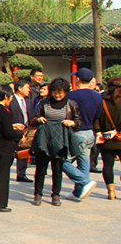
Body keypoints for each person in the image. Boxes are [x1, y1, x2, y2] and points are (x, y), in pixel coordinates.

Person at [30, 77, 82, 207]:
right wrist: (39, 119)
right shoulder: (44, 103)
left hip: (61, 140)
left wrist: (73, 122)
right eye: (55, 92)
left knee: (57, 170)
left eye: (60, 92)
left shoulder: (71, 104)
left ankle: (56, 194)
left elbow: (79, 122)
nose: (57, 95)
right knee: (41, 169)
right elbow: (34, 120)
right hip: (45, 139)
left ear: (66, 92)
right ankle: (38, 193)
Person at [0, 85, 26, 212]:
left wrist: (12, 126)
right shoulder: (4, 112)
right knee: (2, 177)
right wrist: (20, 134)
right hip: (3, 149)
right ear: (6, 96)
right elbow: (7, 133)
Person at [63, 68, 102, 200]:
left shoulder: (71, 95)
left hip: (75, 132)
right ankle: (78, 192)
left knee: (62, 161)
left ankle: (85, 182)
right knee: (83, 162)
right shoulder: (97, 96)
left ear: (77, 79)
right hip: (89, 132)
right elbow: (98, 115)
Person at [95, 77, 121, 199]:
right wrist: (117, 131)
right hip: (119, 138)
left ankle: (111, 191)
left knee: (108, 165)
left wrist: (99, 132)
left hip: (106, 139)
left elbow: (96, 120)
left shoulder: (102, 102)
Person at [9, 80, 35, 183]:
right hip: (13, 130)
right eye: (27, 88)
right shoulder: (11, 100)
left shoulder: (28, 101)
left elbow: (32, 116)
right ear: (20, 88)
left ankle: (21, 174)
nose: (29, 90)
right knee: (10, 153)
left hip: (26, 131)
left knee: (23, 153)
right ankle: (4, 172)